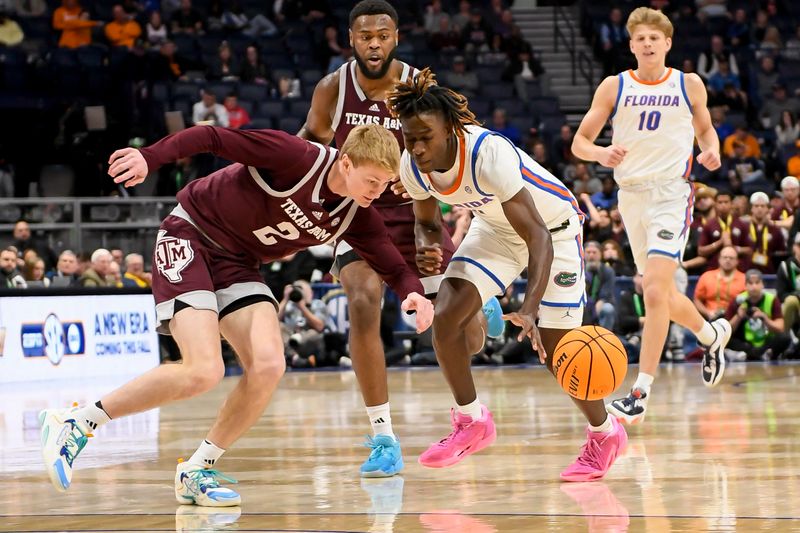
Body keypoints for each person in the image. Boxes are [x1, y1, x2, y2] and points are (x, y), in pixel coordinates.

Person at [38, 123, 434, 505]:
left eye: (384, 184)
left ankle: (197, 470)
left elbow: (394, 266)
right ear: (346, 164)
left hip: (238, 263)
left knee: (268, 364)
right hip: (190, 234)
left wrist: (414, 294)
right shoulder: (294, 156)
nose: (377, 192)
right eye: (372, 181)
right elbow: (212, 136)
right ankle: (78, 423)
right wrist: (149, 156)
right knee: (203, 370)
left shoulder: (357, 214)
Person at [387, 70, 628, 482]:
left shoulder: (487, 153)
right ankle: (472, 421)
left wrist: (530, 308)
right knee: (445, 320)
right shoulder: (413, 164)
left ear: (451, 128)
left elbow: (537, 236)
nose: (419, 146)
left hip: (553, 230)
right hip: (494, 230)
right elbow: (427, 224)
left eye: (426, 136)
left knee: (560, 351)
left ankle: (605, 433)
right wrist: (428, 253)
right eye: (411, 138)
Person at [298, 0, 462, 478]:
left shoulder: (418, 85)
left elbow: (445, 147)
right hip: (359, 215)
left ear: (396, 38)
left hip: (418, 215)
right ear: (351, 39)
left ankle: (483, 310)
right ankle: (384, 435)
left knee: (464, 331)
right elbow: (308, 148)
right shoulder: (333, 89)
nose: (374, 43)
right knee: (364, 299)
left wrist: (411, 171)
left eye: (383, 35)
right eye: (365, 35)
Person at [571, 7, 732, 425]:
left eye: (654, 38)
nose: (647, 44)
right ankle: (712, 334)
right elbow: (579, 142)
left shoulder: (687, 83)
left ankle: (639, 392)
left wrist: (711, 148)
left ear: (667, 43)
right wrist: (601, 153)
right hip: (631, 196)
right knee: (661, 295)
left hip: (670, 194)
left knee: (655, 293)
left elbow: (705, 129)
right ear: (631, 44)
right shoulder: (614, 86)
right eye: (639, 38)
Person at [725, 269, 790, 361]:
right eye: (750, 283)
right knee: (723, 339)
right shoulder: (737, 300)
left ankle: (761, 354)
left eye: (757, 283)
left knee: (785, 337)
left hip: (765, 342)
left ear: (762, 284)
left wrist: (764, 318)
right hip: (745, 343)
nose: (754, 286)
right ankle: (756, 354)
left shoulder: (772, 299)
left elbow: (780, 327)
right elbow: (727, 330)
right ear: (745, 285)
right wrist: (738, 316)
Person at [693, 246, 745, 321]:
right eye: (725, 257)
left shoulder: (744, 279)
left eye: (731, 258)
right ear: (719, 259)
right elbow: (697, 299)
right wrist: (708, 313)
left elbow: (747, 302)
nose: (728, 260)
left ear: (737, 261)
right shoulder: (706, 276)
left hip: (735, 320)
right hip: (710, 319)